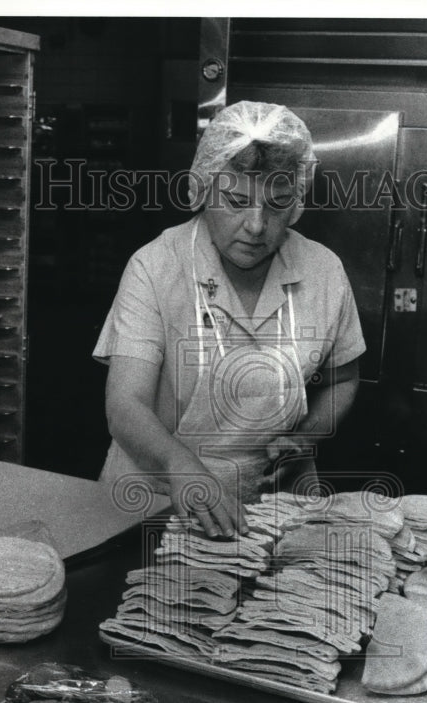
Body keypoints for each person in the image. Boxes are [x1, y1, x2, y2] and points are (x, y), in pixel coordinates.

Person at [93, 101, 365, 538]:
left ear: (296, 202)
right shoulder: (156, 266)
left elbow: (343, 379)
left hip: (278, 501)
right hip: (157, 497)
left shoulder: (323, 270)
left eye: (277, 205)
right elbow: (125, 405)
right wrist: (181, 466)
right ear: (204, 190)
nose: (256, 226)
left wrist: (305, 438)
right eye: (237, 202)